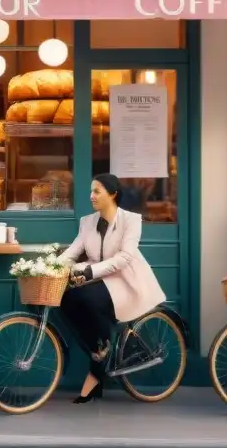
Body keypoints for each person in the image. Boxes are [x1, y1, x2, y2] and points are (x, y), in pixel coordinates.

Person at [60, 173, 166, 404]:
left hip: (125, 279)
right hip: (99, 276)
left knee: (87, 297)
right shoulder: (87, 222)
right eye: (91, 191)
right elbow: (74, 250)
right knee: (67, 299)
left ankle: (102, 353)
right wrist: (51, 266)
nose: (91, 196)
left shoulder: (131, 220)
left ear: (113, 194)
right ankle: (98, 352)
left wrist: (90, 272)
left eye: (96, 191)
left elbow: (125, 257)